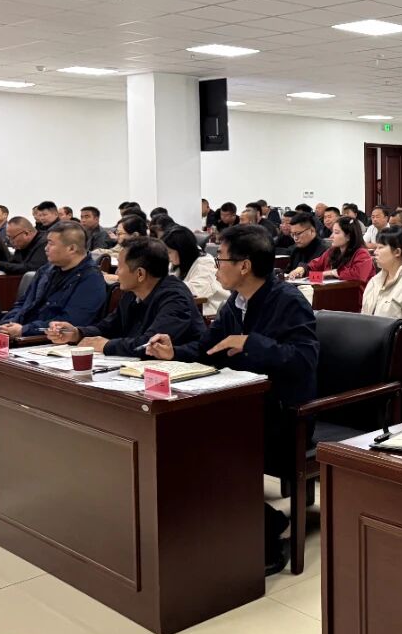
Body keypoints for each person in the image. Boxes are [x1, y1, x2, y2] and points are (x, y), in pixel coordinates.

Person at [146, 224, 319, 575]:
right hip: (242, 406)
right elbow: (208, 349)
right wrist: (174, 353)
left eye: (220, 259)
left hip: (285, 414)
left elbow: (304, 360)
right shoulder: (234, 302)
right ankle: (236, 523)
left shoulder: (289, 301)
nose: (215, 266)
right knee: (177, 436)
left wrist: (250, 343)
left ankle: (267, 536)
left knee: (208, 447)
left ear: (244, 265)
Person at [46, 237, 204, 359]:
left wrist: (107, 345)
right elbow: (109, 326)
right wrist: (77, 333)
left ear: (140, 274)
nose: (116, 273)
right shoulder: (131, 292)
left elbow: (150, 344)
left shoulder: (175, 297)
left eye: (120, 267)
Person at [0, 222, 107, 338]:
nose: (46, 248)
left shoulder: (91, 279)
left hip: (44, 340)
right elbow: (23, 303)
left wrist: (24, 330)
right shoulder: (46, 270)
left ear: (72, 248)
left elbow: (71, 322)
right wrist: (9, 322)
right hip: (20, 333)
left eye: (51, 243)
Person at [162, 226, 228, 318]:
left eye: (169, 252)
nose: (167, 256)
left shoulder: (205, 263)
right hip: (187, 311)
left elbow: (197, 292)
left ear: (182, 250)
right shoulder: (179, 263)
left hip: (209, 315)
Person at [307, 216, 374, 282]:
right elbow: (314, 266)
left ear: (348, 236)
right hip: (330, 288)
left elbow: (359, 275)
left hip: (352, 289)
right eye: (332, 232)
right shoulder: (331, 251)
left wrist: (333, 272)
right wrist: (304, 269)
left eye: (336, 232)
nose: (332, 236)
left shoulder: (362, 254)